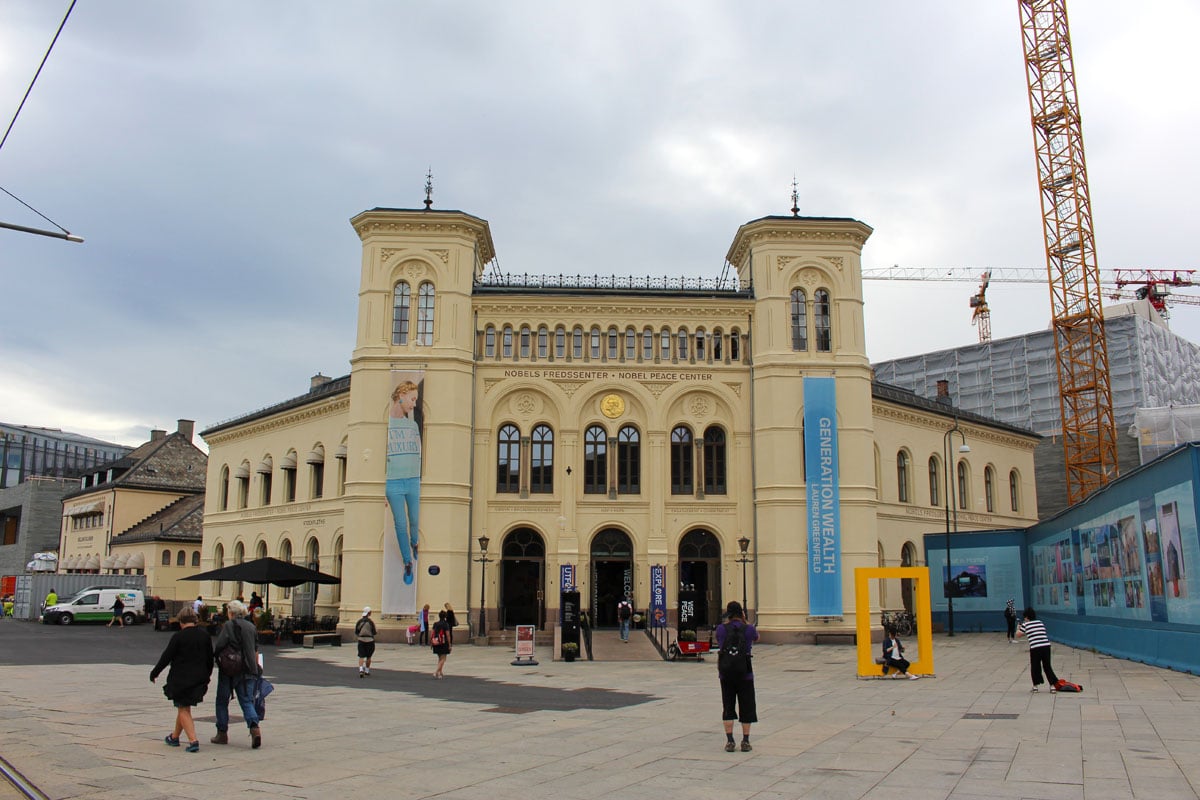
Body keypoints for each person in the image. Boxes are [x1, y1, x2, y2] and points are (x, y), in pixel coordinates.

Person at [150, 606, 213, 753]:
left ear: (181, 621)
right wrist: (207, 677)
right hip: (199, 678)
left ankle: (193, 741)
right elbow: (210, 659)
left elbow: (166, 657)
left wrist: (155, 672)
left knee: (183, 708)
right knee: (184, 707)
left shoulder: (179, 636)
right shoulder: (205, 636)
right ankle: (174, 737)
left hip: (181, 679)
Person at [210, 600, 263, 748]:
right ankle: (254, 728)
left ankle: (222, 732)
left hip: (230, 668)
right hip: (249, 669)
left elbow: (220, 645)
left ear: (231, 613)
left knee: (222, 700)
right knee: (246, 700)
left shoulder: (228, 625)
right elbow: (255, 649)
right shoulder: (252, 627)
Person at [385, 379, 422, 585]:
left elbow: (419, 453)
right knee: (400, 524)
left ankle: (414, 542)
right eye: (412, 399)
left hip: (413, 479)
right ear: (401, 396)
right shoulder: (385, 423)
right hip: (393, 482)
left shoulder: (413, 425)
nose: (414, 404)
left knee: (414, 520)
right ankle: (408, 562)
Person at [716, 601, 758, 752]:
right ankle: (745, 741)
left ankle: (730, 740)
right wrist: (745, 622)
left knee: (728, 705)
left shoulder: (721, 629)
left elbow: (719, 642)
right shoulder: (749, 629)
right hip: (745, 673)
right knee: (746, 706)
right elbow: (756, 638)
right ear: (742, 613)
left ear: (728, 614)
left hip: (726, 673)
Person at [1017, 606, 1059, 692]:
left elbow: (1018, 635)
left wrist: (1018, 627)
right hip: (1046, 646)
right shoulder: (1040, 622)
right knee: (1047, 666)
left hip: (1035, 648)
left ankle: (1035, 686)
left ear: (1026, 617)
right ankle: (1052, 686)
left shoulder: (1025, 624)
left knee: (1035, 666)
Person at [356, 606, 377, 678]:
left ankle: (361, 669)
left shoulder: (359, 621)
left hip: (361, 640)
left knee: (361, 655)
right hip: (370, 640)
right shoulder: (370, 622)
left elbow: (356, 631)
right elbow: (374, 632)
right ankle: (367, 670)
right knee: (369, 656)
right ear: (369, 613)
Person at [431, 609, 451, 678]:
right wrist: (449, 644)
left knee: (440, 658)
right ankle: (436, 672)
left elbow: (432, 633)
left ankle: (440, 673)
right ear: (445, 617)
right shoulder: (446, 624)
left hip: (436, 642)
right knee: (443, 659)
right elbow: (448, 635)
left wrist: (431, 642)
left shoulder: (435, 624)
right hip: (443, 643)